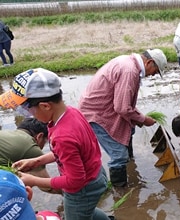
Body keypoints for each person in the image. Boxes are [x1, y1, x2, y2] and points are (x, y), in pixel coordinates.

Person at [0, 68, 112, 220]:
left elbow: (75, 180)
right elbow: (74, 151)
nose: (28, 115)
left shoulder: (63, 136)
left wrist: (33, 180)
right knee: (87, 211)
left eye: (27, 110)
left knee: (79, 213)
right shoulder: (71, 113)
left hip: (82, 189)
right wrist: (37, 161)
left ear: (45, 106)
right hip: (96, 175)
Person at [78, 49, 167, 187]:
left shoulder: (129, 63)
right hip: (97, 113)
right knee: (118, 154)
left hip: (106, 106)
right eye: (155, 71)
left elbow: (123, 104)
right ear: (149, 62)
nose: (153, 75)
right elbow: (122, 108)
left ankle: (129, 162)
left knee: (128, 129)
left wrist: (136, 119)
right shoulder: (129, 71)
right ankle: (120, 192)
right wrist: (143, 119)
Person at [0, 118, 57, 193]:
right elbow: (48, 187)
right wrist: (71, 195)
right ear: (40, 136)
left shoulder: (5, 133)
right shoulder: (31, 148)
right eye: (45, 141)